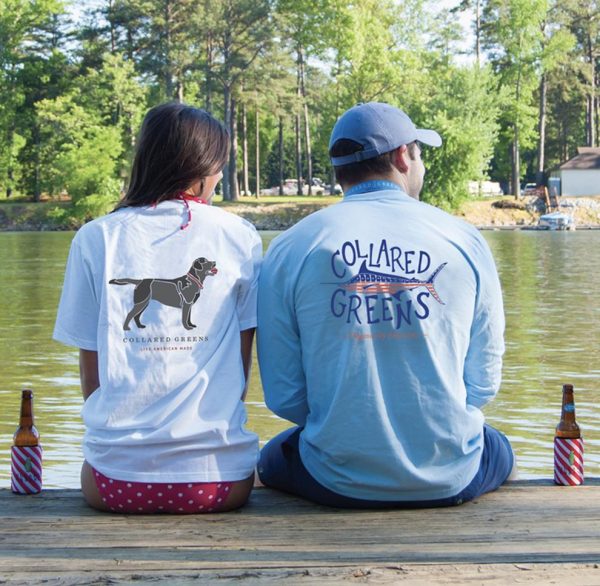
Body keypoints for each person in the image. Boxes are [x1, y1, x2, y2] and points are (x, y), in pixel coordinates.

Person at [256, 102, 515, 508]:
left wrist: (352, 429)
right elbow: (482, 384)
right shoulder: (465, 239)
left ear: (340, 170)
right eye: (419, 152)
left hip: (334, 481)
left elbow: (285, 397)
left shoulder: (291, 246)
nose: (422, 164)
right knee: (498, 446)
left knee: (270, 459)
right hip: (452, 477)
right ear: (401, 157)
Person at [53, 102, 261, 514]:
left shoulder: (96, 237)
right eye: (219, 167)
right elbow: (240, 375)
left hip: (114, 484)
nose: (219, 177)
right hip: (219, 485)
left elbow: (90, 371)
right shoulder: (241, 237)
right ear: (203, 172)